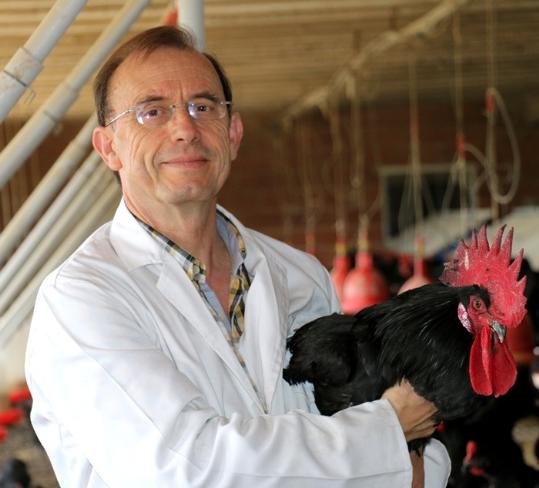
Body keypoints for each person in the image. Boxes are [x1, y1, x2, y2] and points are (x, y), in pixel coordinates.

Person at [25, 25, 450, 487]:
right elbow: (185, 468)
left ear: (233, 133)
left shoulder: (300, 275)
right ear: (109, 148)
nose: (185, 128)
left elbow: (365, 428)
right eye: (152, 112)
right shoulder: (83, 298)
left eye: (202, 107)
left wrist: (408, 456)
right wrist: (386, 434)